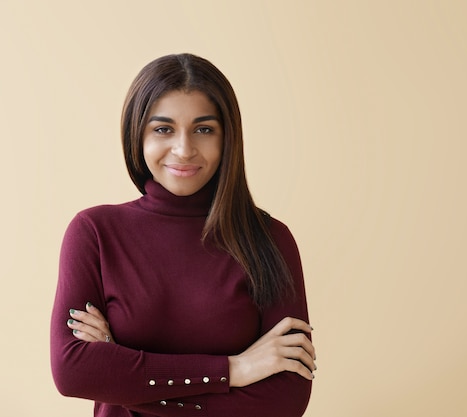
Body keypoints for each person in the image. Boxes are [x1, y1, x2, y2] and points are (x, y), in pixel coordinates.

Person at [50, 53, 316, 417]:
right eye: (163, 129)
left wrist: (123, 375)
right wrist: (234, 370)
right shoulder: (95, 233)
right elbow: (73, 373)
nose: (184, 149)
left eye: (204, 129)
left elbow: (285, 402)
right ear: (137, 135)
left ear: (227, 139)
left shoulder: (270, 240)